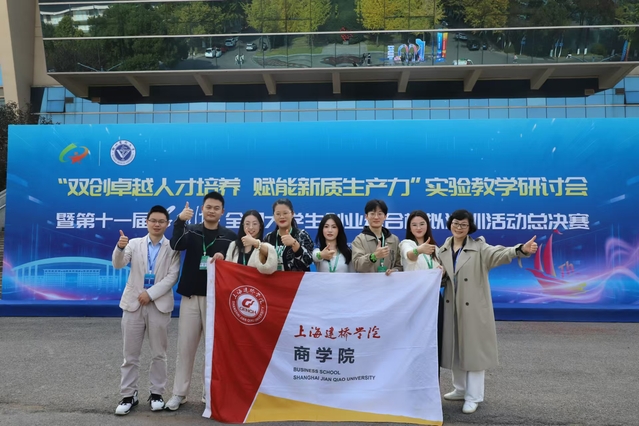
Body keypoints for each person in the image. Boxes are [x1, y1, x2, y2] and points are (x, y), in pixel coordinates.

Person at [438, 209, 537, 414]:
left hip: (473, 309)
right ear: (450, 224)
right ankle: (460, 389)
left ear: (470, 227)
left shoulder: (479, 248)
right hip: (451, 307)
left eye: (463, 225)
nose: (459, 228)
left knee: (474, 352)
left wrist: (520, 249)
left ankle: (474, 396)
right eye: (455, 223)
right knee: (455, 348)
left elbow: (500, 253)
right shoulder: (443, 250)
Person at [166, 191, 237, 411]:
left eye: (216, 208)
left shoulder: (229, 237)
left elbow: (235, 266)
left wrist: (224, 261)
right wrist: (180, 220)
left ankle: (210, 393)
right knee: (185, 348)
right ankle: (179, 393)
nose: (212, 211)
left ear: (222, 212)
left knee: (213, 350)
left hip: (216, 300)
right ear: (202, 209)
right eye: (208, 207)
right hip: (190, 297)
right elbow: (176, 244)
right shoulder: (191, 230)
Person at [112, 205, 181, 415]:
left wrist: (150, 294)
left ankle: (157, 393)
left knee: (159, 354)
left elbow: (172, 277)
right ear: (146, 222)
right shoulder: (133, 244)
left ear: (167, 224)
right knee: (130, 354)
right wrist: (120, 248)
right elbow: (118, 264)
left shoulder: (173, 247)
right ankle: (128, 395)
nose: (157, 224)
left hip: (158, 305)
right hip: (133, 304)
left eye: (161, 221)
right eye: (153, 220)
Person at [399, 210, 443, 370]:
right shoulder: (406, 244)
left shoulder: (436, 248)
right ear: (409, 228)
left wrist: (442, 270)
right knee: (416, 340)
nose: (418, 228)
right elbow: (410, 255)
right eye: (414, 225)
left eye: (422, 224)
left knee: (434, 341)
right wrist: (419, 250)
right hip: (415, 299)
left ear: (427, 225)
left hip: (434, 298)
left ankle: (433, 380)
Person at [352, 199, 402, 274]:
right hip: (368, 281)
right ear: (366, 216)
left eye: (380, 214)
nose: (376, 217)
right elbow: (357, 265)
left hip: (389, 281)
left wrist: (394, 271)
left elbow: (400, 265)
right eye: (372, 214)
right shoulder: (359, 240)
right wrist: (374, 256)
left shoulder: (394, 239)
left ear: (385, 216)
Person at [263, 198, 314, 271]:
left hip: (297, 278)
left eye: (285, 213)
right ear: (274, 216)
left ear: (292, 214)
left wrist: (294, 244)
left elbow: (309, 261)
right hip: (274, 278)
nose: (282, 217)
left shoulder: (302, 235)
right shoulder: (269, 237)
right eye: (278, 214)